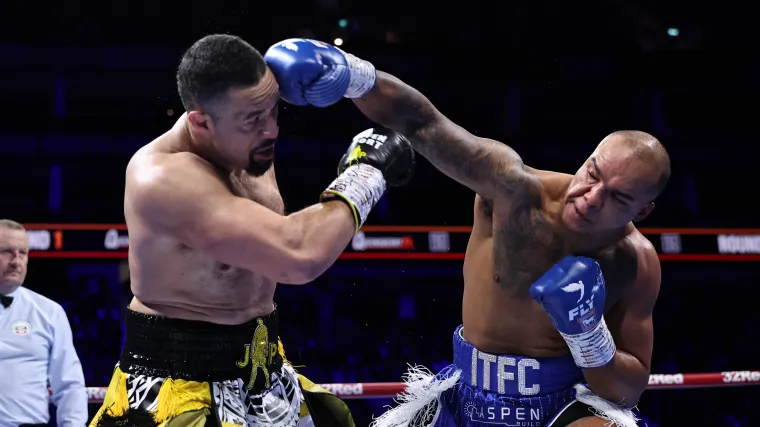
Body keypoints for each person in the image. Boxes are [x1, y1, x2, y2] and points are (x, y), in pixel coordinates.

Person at [263, 39, 670, 426]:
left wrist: (588, 334)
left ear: (643, 211)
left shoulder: (634, 261)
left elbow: (628, 391)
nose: (592, 197)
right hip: (464, 395)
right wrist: (353, 74)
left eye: (617, 197)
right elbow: (422, 124)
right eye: (592, 173)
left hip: (561, 406)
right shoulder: (514, 191)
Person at [89, 34, 415, 427]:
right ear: (201, 122)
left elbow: (413, 115)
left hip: (266, 375)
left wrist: (351, 75)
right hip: (178, 387)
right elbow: (298, 255)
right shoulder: (163, 177)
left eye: (273, 111)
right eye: (253, 120)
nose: (271, 130)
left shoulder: (245, 136)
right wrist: (366, 173)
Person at [0, 219, 88, 427]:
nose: (16, 261)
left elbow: (69, 384)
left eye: (23, 253)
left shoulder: (49, 312)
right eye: (6, 252)